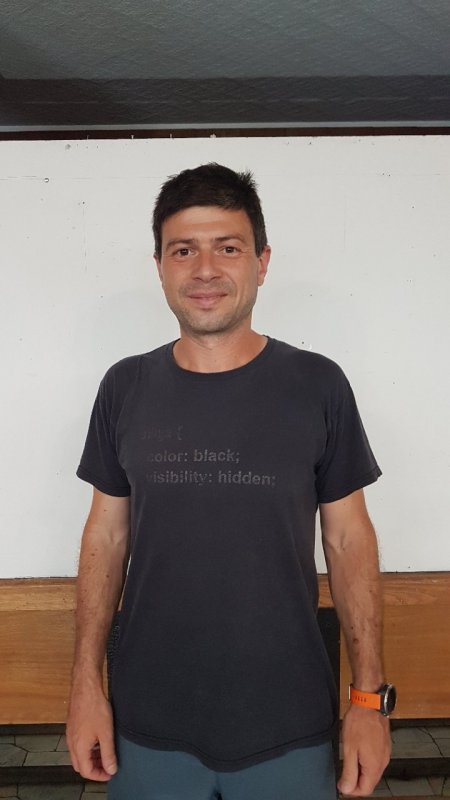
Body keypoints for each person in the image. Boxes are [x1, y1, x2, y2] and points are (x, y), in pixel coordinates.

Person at [67, 163, 393, 800]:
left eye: (228, 248)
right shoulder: (124, 386)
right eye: (183, 250)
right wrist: (85, 685)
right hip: (146, 723)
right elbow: (105, 535)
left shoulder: (318, 384)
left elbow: (349, 540)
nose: (205, 270)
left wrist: (368, 700)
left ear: (262, 262)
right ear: (159, 266)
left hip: (290, 725)